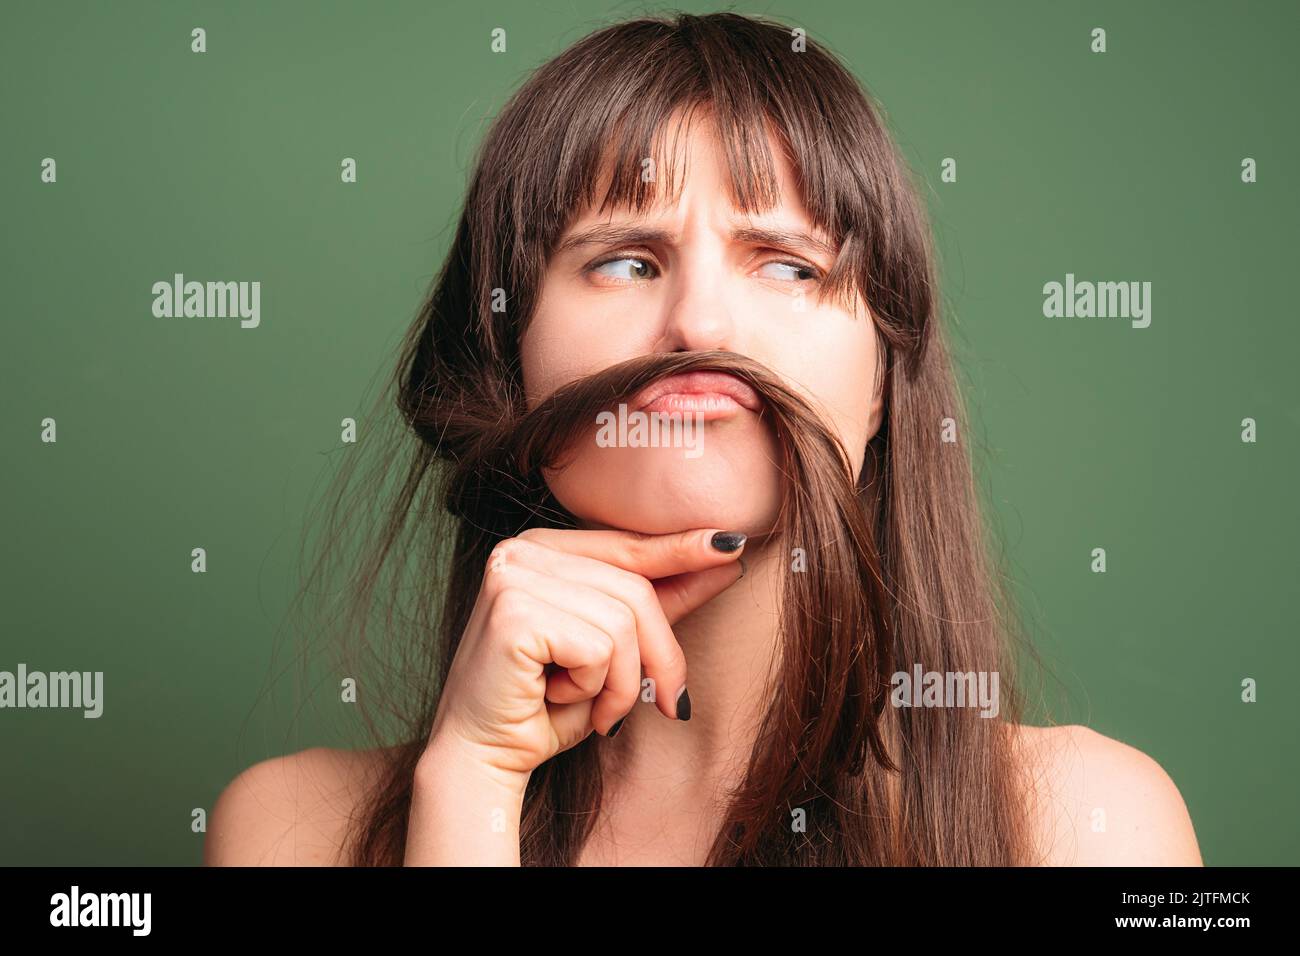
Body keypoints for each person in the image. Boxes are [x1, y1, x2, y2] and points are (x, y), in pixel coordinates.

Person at [203, 12, 1201, 867]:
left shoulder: (1091, 823)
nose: (702, 324)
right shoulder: (291, 831)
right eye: (626, 261)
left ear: (882, 392)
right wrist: (467, 788)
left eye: (787, 266)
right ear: (507, 357)